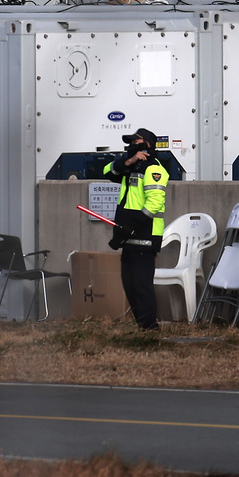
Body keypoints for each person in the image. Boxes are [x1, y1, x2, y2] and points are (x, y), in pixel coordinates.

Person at [101, 127, 169, 330]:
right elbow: (106, 171)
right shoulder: (130, 167)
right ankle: (142, 325)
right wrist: (129, 161)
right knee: (129, 283)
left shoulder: (153, 169)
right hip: (128, 236)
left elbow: (154, 204)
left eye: (136, 142)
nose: (131, 146)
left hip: (145, 235)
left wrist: (131, 226)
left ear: (147, 145)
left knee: (141, 285)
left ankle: (149, 327)